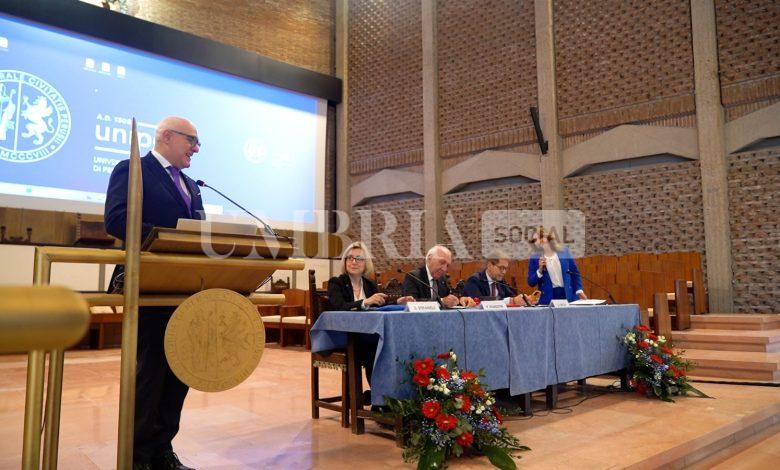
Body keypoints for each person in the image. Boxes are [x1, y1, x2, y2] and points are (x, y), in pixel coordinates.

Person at [105, 116, 202, 470]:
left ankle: (163, 449)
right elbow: (117, 219)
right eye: (192, 140)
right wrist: (168, 238)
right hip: (148, 283)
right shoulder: (132, 168)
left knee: (180, 370)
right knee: (152, 371)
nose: (196, 149)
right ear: (166, 136)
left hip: (187, 289)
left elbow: (199, 234)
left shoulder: (193, 185)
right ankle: (138, 456)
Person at [325, 242, 387, 397]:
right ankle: (378, 399)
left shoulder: (369, 284)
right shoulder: (336, 282)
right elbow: (339, 307)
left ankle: (385, 398)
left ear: (365, 263)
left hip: (367, 336)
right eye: (350, 258)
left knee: (386, 347)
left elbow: (379, 305)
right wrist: (365, 302)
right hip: (344, 338)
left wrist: (398, 302)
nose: (353, 262)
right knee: (375, 350)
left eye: (358, 258)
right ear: (345, 262)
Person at [401, 245, 476, 308]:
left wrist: (461, 300)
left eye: (447, 265)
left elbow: (448, 299)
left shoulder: (442, 279)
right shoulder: (414, 277)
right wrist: (442, 301)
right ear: (429, 259)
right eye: (442, 262)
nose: (444, 269)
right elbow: (412, 303)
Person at [527, 229, 587, 305]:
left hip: (568, 294)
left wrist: (579, 290)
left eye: (538, 239)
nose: (536, 243)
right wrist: (540, 270)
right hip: (548, 297)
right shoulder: (534, 258)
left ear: (547, 238)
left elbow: (574, 272)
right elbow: (531, 282)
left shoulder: (564, 251)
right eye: (534, 241)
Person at [463, 250, 531, 305]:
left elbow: (512, 297)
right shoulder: (474, 280)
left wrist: (524, 300)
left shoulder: (500, 282)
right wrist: (509, 301)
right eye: (501, 268)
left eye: (506, 269)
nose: (504, 272)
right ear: (489, 265)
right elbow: (477, 302)